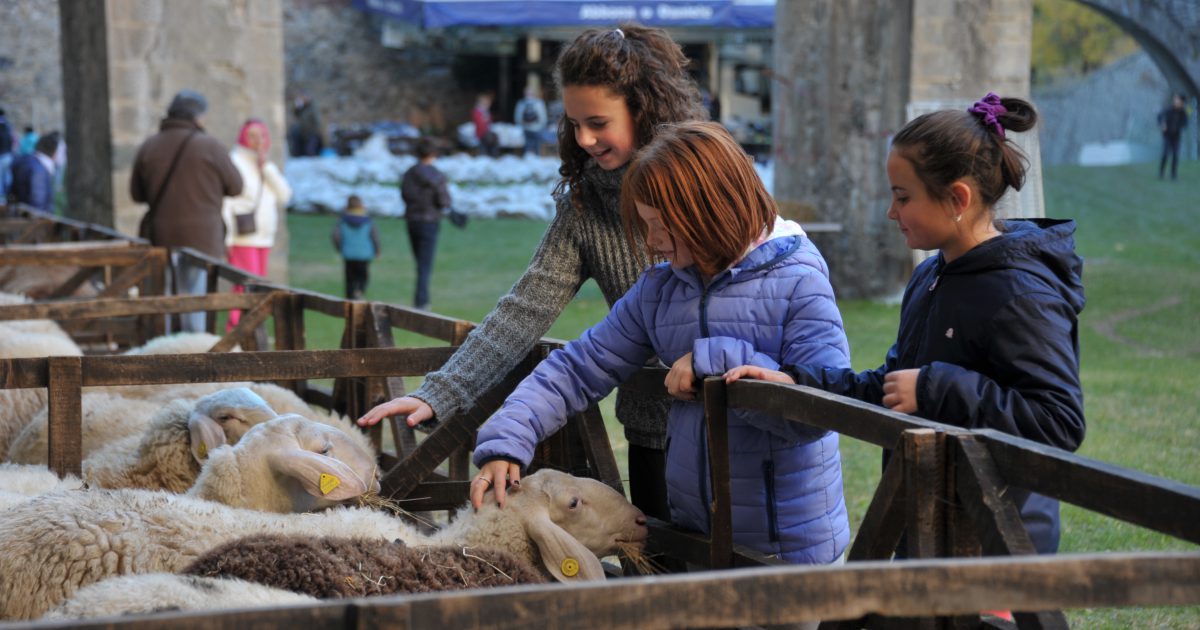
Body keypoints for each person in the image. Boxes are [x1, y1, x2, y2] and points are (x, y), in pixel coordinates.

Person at [359, 23, 711, 525]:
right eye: (574, 124)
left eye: (598, 122)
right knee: (663, 579)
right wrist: (440, 390)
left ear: (643, 107)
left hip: (733, 428)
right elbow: (524, 309)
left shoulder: (708, 182)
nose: (585, 138)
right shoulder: (586, 207)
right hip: (652, 432)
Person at [469, 121, 851, 575]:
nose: (650, 243)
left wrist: (715, 361)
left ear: (706, 211)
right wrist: (507, 441)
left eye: (659, 226)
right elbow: (578, 368)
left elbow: (820, 406)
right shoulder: (661, 290)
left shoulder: (799, 282)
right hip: (700, 539)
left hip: (788, 549)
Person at [726, 93, 1087, 557]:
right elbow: (894, 387)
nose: (892, 212)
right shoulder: (928, 277)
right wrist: (795, 382)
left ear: (957, 197)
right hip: (926, 523)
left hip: (1000, 547)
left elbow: (1059, 422)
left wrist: (938, 388)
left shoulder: (1020, 294)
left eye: (903, 197)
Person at [130, 89, 243, 332]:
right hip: (202, 238)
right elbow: (236, 186)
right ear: (198, 117)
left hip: (161, 236)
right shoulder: (210, 146)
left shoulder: (150, 146)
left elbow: (136, 195)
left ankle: (169, 350)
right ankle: (194, 355)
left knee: (168, 298)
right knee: (196, 299)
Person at [221, 119, 292, 331]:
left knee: (257, 285)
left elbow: (285, 195)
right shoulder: (235, 161)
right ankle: (236, 329)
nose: (257, 141)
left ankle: (252, 329)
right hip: (243, 236)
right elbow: (227, 201)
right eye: (252, 136)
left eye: (261, 135)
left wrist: (266, 168)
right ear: (243, 137)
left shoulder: (265, 165)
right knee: (245, 286)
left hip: (263, 236)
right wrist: (228, 237)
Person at [400, 137, 452, 310]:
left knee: (420, 262)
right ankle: (422, 301)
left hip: (413, 221)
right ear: (433, 154)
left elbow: (405, 195)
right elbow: (444, 200)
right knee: (424, 264)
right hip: (429, 222)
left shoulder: (409, 173)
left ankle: (421, 298)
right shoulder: (437, 175)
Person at [331, 194, 380, 300]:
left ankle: (350, 297)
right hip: (364, 253)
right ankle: (360, 291)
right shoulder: (368, 221)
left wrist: (340, 248)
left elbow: (336, 236)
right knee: (363, 276)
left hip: (349, 253)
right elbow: (374, 236)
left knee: (350, 278)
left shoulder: (342, 220)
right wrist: (377, 250)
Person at [7, 131, 59, 212]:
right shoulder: (39, 170)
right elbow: (37, 204)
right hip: (33, 220)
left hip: (20, 215)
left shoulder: (26, 160)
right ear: (54, 152)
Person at [1158, 92, 1188, 181]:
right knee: (1165, 153)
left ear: (1182, 102)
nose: (1175, 101)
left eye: (1177, 99)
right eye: (1175, 99)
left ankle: (1173, 175)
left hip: (1176, 137)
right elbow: (1160, 116)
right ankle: (1161, 173)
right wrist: (1162, 124)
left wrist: (1179, 127)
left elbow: (1185, 123)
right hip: (1167, 136)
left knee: (1175, 155)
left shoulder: (1183, 113)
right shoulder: (1169, 110)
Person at [514, 86, 548, 157]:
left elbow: (543, 117)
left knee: (536, 148)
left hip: (537, 129)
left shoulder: (539, 103)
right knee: (527, 149)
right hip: (525, 130)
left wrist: (540, 126)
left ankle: (536, 160)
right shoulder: (521, 103)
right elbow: (518, 117)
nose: (529, 95)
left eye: (530, 93)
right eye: (527, 93)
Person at [471, 92, 499, 157]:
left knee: (494, 136)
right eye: (485, 104)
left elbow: (490, 121)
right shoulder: (477, 112)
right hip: (480, 133)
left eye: (488, 104)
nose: (487, 106)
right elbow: (479, 123)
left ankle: (493, 154)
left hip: (487, 132)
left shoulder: (486, 112)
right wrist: (485, 120)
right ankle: (484, 155)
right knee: (489, 138)